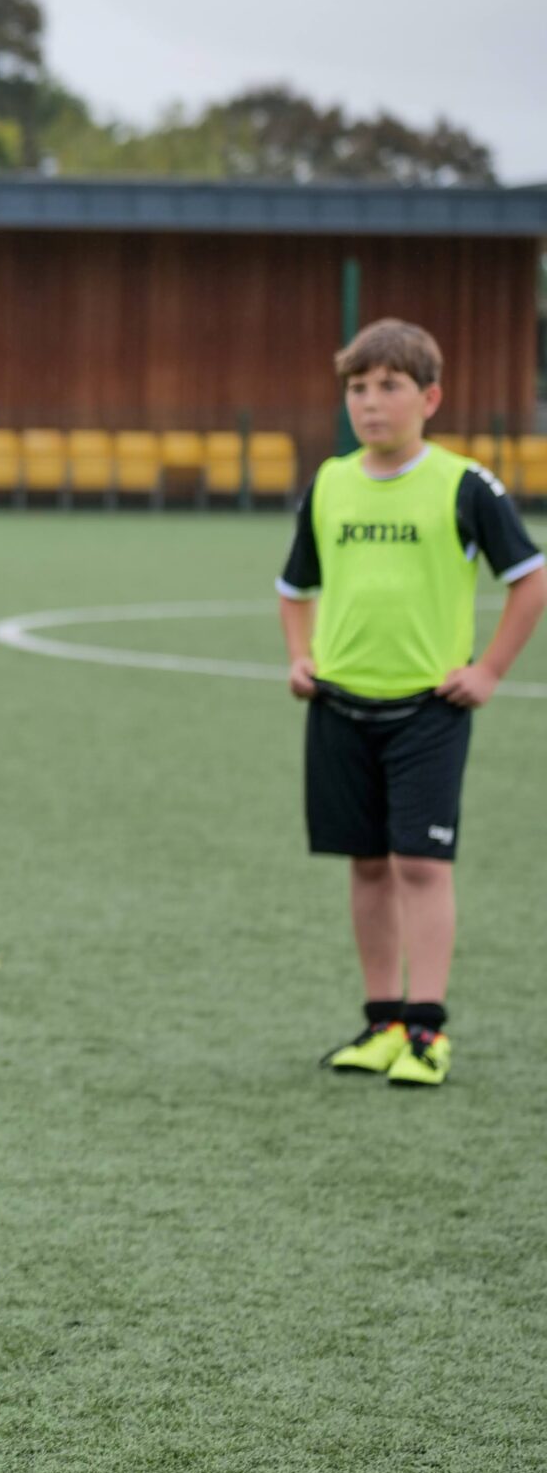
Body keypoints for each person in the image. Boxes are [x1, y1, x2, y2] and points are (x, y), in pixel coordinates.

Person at [278, 319, 542, 1089]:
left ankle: (426, 1029)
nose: (370, 402)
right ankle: (381, 1021)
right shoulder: (330, 483)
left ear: (429, 397)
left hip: (427, 709)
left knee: (421, 865)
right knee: (366, 866)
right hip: (339, 705)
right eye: (357, 388)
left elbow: (531, 579)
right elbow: (294, 587)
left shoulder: (465, 484)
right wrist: (300, 654)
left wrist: (488, 670)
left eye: (389, 386)